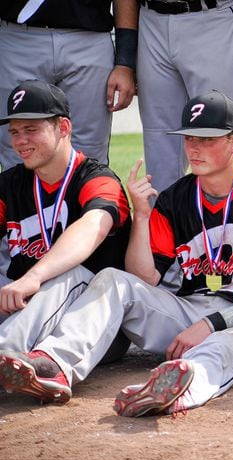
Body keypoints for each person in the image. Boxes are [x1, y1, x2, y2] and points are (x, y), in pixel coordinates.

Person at [0, 91, 233, 415]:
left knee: (224, 345)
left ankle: (182, 387)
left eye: (206, 139)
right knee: (113, 280)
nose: (194, 148)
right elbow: (144, 277)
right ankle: (55, 364)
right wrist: (141, 216)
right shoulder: (175, 199)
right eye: (189, 138)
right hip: (187, 311)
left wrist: (213, 324)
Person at [0, 80, 131, 403]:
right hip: (23, 310)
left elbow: (92, 228)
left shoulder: (98, 178)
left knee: (70, 276)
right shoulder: (11, 183)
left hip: (90, 327)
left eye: (31, 129)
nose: (20, 141)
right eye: (15, 132)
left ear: (64, 127)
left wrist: (33, 277)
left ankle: (6, 351)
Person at [0, 0, 138, 169]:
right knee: (18, 145)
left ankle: (88, 196)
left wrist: (125, 62)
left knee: (89, 153)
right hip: (18, 37)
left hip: (89, 38)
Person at [135, 0, 233, 194]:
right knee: (160, 160)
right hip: (150, 19)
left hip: (211, 18)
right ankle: (164, 223)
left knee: (225, 142)